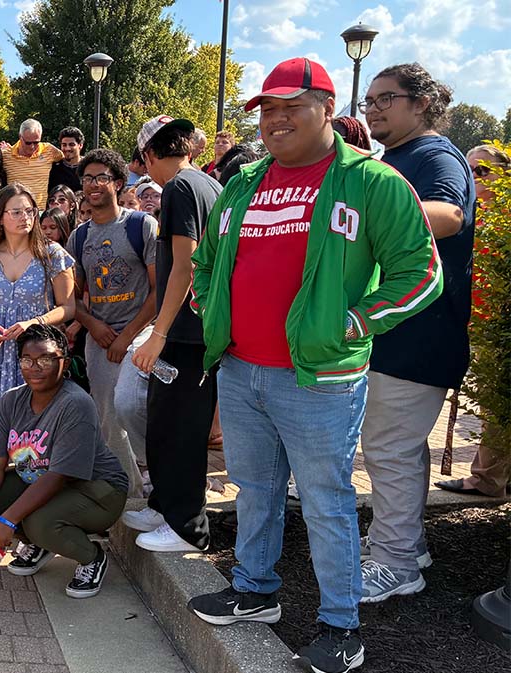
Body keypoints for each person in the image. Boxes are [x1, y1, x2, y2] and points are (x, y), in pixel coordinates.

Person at [186, 58, 441, 673]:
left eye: (289, 107)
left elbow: (422, 271)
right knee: (256, 488)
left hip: (321, 378)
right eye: (266, 110)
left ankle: (341, 625)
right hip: (242, 369)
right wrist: (210, 303)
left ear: (327, 108)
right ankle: (255, 590)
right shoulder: (245, 182)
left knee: (326, 500)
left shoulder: (371, 182)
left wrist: (353, 323)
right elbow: (209, 256)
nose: (275, 120)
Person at [358, 63, 476, 603]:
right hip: (400, 332)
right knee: (397, 445)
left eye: (386, 98)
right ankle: (407, 541)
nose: (374, 108)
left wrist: (367, 215)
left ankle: (396, 562)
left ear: (422, 102)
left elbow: (450, 213)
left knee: (388, 447)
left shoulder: (434, 155)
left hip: (418, 331)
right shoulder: (398, 158)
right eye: (369, 100)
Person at [0, 324, 129, 598]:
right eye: (27, 360)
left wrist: (7, 521)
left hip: (98, 489)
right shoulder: (11, 400)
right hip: (44, 479)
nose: (35, 367)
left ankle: (91, 557)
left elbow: (59, 476)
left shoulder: (75, 403)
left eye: (45, 359)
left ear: (63, 362)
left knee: (38, 522)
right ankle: (41, 544)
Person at [123, 116, 221, 551]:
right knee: (163, 420)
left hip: (187, 335)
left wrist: (157, 333)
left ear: (147, 156)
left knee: (181, 428)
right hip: (186, 332)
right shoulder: (207, 184)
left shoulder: (181, 188)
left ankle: (187, 528)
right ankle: (164, 505)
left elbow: (187, 264)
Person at [0, 183, 76, 519]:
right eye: (16, 211)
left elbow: (68, 307)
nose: (25, 217)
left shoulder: (52, 254)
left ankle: (27, 513)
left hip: (34, 358)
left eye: (30, 211)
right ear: (0, 217)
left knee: (33, 443)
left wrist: (34, 322)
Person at [67, 148, 159, 499]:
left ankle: (159, 471)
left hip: (141, 333)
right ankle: (130, 493)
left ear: (119, 183)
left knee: (132, 403)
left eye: (101, 177)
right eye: (87, 178)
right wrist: (92, 325)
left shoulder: (140, 226)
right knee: (108, 420)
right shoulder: (79, 237)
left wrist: (127, 336)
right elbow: (73, 297)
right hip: (99, 339)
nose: (93, 184)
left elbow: (158, 290)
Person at [436, 144, 509, 497]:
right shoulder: (467, 217)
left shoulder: (502, 223)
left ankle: (487, 479)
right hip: (474, 323)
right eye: (469, 171)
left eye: (482, 171)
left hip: (498, 328)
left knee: (497, 405)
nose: (474, 179)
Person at [1, 119, 65, 205]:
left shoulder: (49, 150)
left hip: (40, 211)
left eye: (36, 142)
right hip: (15, 210)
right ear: (20, 137)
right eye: (28, 143)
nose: (32, 147)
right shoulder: (6, 155)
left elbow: (69, 159)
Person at [48, 126, 84, 194]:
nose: (67, 148)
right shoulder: (54, 169)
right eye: (64, 145)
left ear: (80, 145)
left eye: (71, 145)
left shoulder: (87, 167)